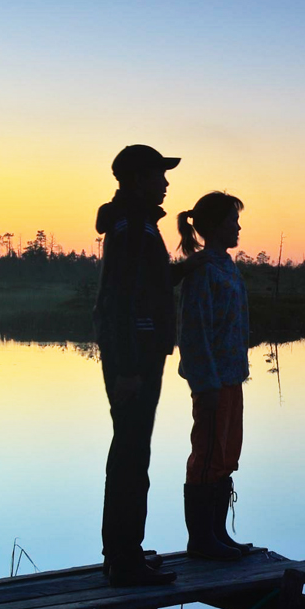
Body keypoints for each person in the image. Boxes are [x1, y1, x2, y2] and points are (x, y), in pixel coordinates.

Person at [94, 145, 181, 586]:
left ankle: (125, 551)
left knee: (133, 452)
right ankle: (124, 560)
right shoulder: (132, 228)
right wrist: (128, 366)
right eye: (158, 175)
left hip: (139, 354)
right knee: (130, 454)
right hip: (133, 357)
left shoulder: (140, 225)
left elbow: (146, 285)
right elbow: (121, 300)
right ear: (136, 179)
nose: (166, 183)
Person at [175, 191, 264, 561]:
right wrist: (204, 382)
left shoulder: (227, 265)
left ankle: (218, 533)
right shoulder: (202, 269)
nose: (238, 226)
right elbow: (194, 332)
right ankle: (201, 540)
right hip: (211, 381)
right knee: (207, 454)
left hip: (231, 377)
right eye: (232, 220)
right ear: (212, 226)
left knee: (226, 454)